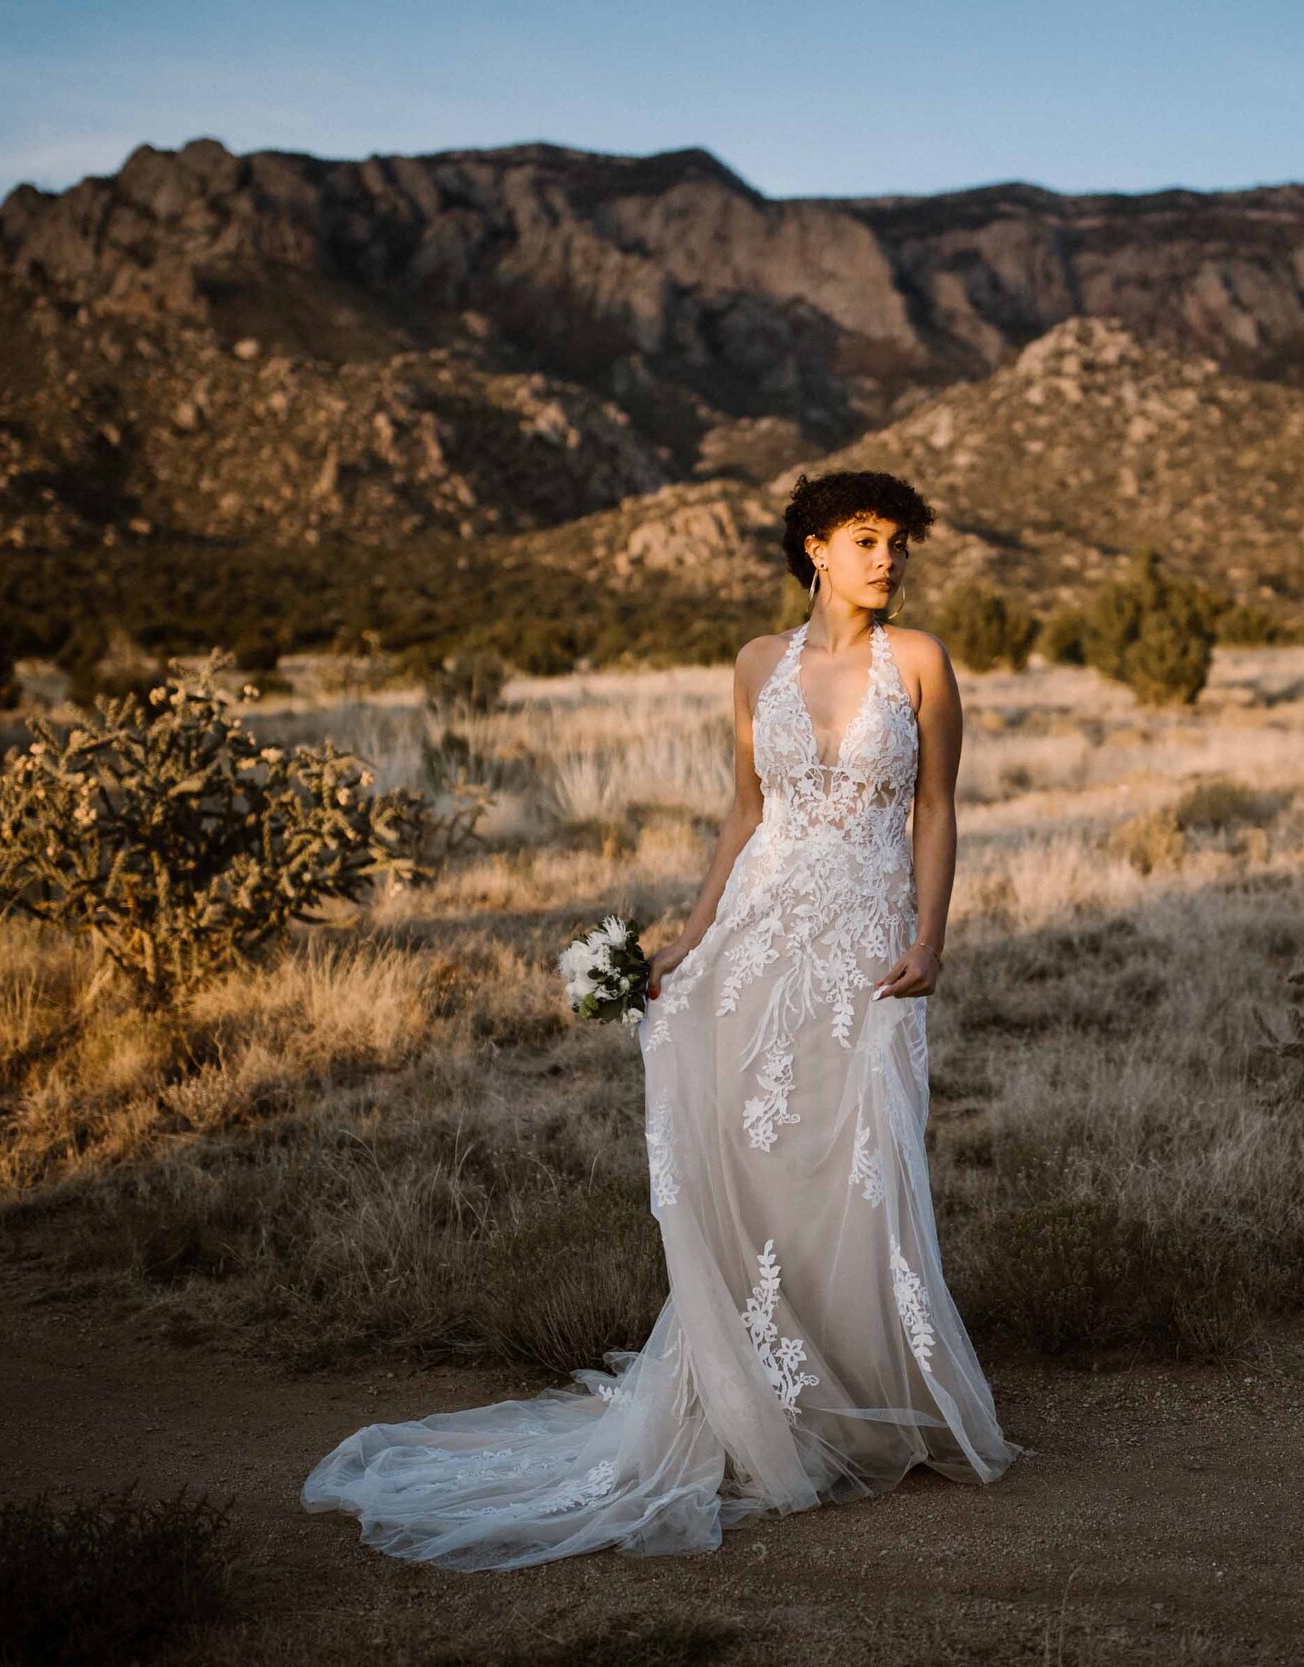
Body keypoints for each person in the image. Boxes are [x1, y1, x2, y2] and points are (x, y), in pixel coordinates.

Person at [303, 469, 1019, 1569]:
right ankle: (768, 1404)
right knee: (758, 1162)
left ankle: (872, 1396)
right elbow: (744, 808)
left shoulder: (919, 661)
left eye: (899, 544)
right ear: (815, 548)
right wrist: (687, 938)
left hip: (866, 948)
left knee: (860, 1164)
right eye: (869, 540)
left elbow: (935, 807)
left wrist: (932, 937)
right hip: (757, 939)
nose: (890, 560)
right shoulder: (753, 665)